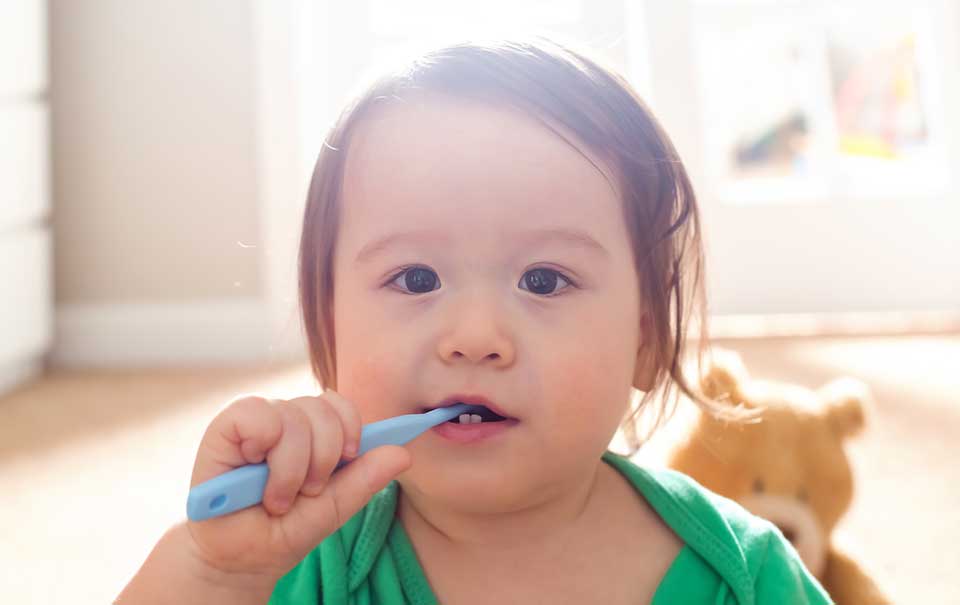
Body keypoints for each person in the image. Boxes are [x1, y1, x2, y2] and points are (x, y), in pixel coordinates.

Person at [116, 36, 833, 604]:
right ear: (327, 332)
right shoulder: (293, 560)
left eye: (545, 280)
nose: (476, 337)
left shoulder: (746, 573)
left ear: (646, 339)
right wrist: (213, 573)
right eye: (416, 278)